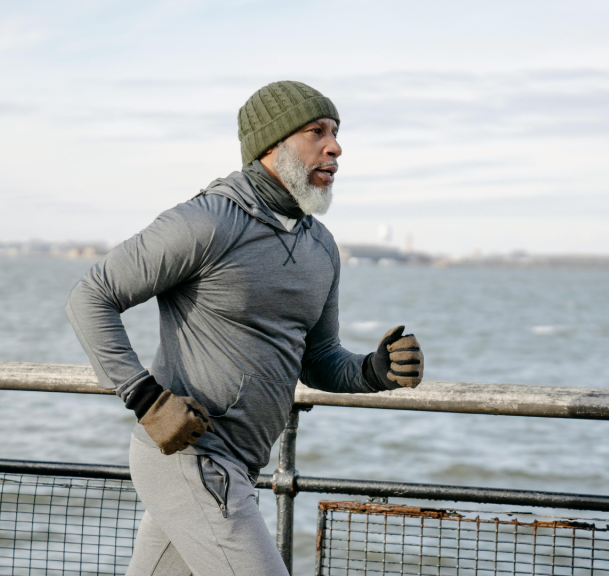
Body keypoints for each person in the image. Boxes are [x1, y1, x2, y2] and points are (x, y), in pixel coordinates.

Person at [66, 80, 425, 576]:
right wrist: (144, 397)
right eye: (316, 132)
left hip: (242, 466)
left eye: (337, 133)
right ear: (270, 146)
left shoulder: (320, 247)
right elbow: (91, 296)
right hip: (190, 457)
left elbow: (318, 359)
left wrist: (374, 370)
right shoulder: (208, 221)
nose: (335, 147)